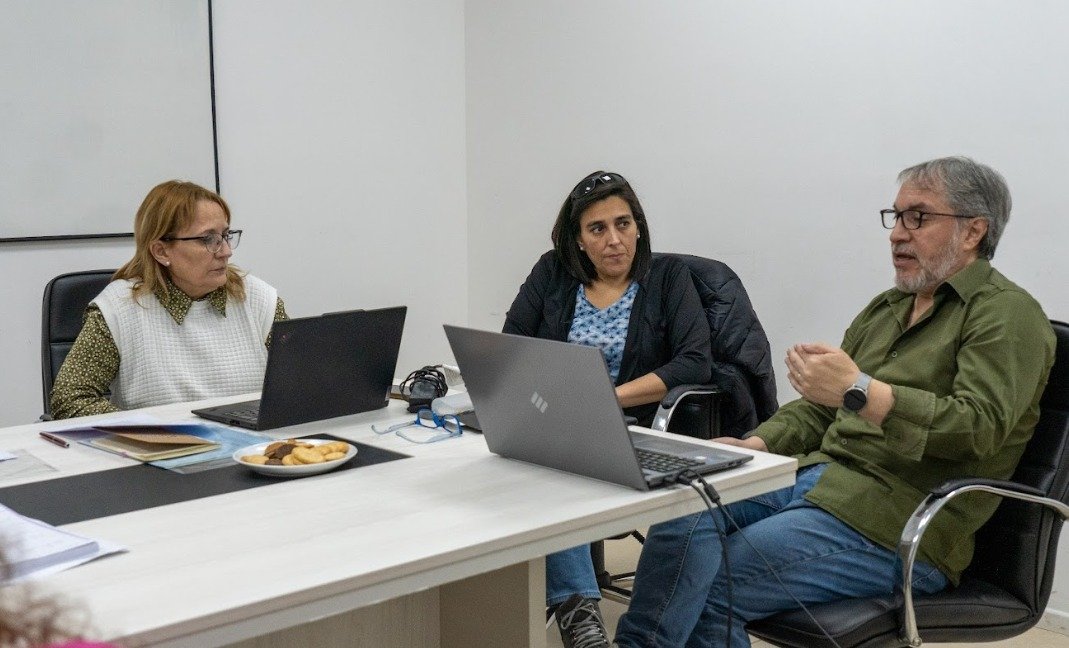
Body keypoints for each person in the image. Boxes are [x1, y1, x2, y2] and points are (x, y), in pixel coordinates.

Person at [613, 156, 1057, 648]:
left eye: (918, 217)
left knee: (713, 584)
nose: (897, 234)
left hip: (894, 519)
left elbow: (978, 429)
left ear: (974, 231)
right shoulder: (887, 308)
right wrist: (753, 447)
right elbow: (822, 407)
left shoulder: (1007, 315)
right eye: (896, 217)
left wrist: (862, 391)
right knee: (682, 514)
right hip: (816, 478)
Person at [504, 170, 712, 648]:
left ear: (639, 226)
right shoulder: (552, 273)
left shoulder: (668, 279)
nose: (614, 240)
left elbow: (694, 361)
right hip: (554, 418)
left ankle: (577, 614)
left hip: (631, 425)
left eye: (623, 224)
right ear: (578, 240)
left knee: (553, 463)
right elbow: (513, 345)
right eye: (597, 229)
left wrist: (607, 397)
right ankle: (561, 605)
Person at [49, 180, 287, 419]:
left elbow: (298, 384)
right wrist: (152, 429)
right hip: (158, 441)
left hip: (254, 442)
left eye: (225, 235)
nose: (226, 251)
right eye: (208, 239)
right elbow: (69, 399)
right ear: (161, 251)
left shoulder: (259, 300)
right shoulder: (119, 309)